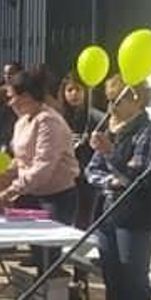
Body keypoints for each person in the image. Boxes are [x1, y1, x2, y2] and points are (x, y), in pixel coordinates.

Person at [84, 79, 151, 300]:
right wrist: (111, 181)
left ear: (136, 99)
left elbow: (136, 178)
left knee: (134, 283)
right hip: (109, 215)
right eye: (109, 100)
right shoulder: (114, 131)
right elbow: (91, 171)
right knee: (113, 282)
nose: (111, 107)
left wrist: (110, 155)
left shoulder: (147, 133)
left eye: (118, 100)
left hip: (136, 218)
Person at [0, 70, 79, 225]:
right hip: (28, 195)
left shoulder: (49, 121)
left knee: (49, 240)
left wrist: (9, 192)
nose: (9, 103)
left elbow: (43, 167)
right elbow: (21, 160)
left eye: (11, 97)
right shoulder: (21, 122)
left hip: (55, 198)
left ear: (26, 97)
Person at [59, 72, 106, 229]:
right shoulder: (57, 118)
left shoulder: (97, 118)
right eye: (69, 90)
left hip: (87, 179)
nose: (74, 94)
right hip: (63, 179)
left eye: (78, 89)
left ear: (85, 92)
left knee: (84, 222)